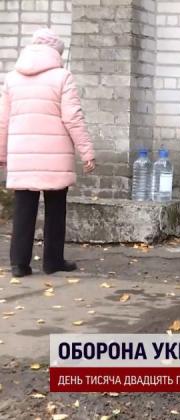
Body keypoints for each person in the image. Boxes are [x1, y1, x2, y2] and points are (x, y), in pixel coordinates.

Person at [0, 28, 96, 278]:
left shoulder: (12, 78)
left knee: (23, 208)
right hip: (55, 155)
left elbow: (3, 120)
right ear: (57, 52)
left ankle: (19, 264)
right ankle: (52, 261)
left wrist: (1, 154)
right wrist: (86, 151)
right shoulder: (63, 77)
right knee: (55, 208)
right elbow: (73, 117)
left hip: (22, 155)